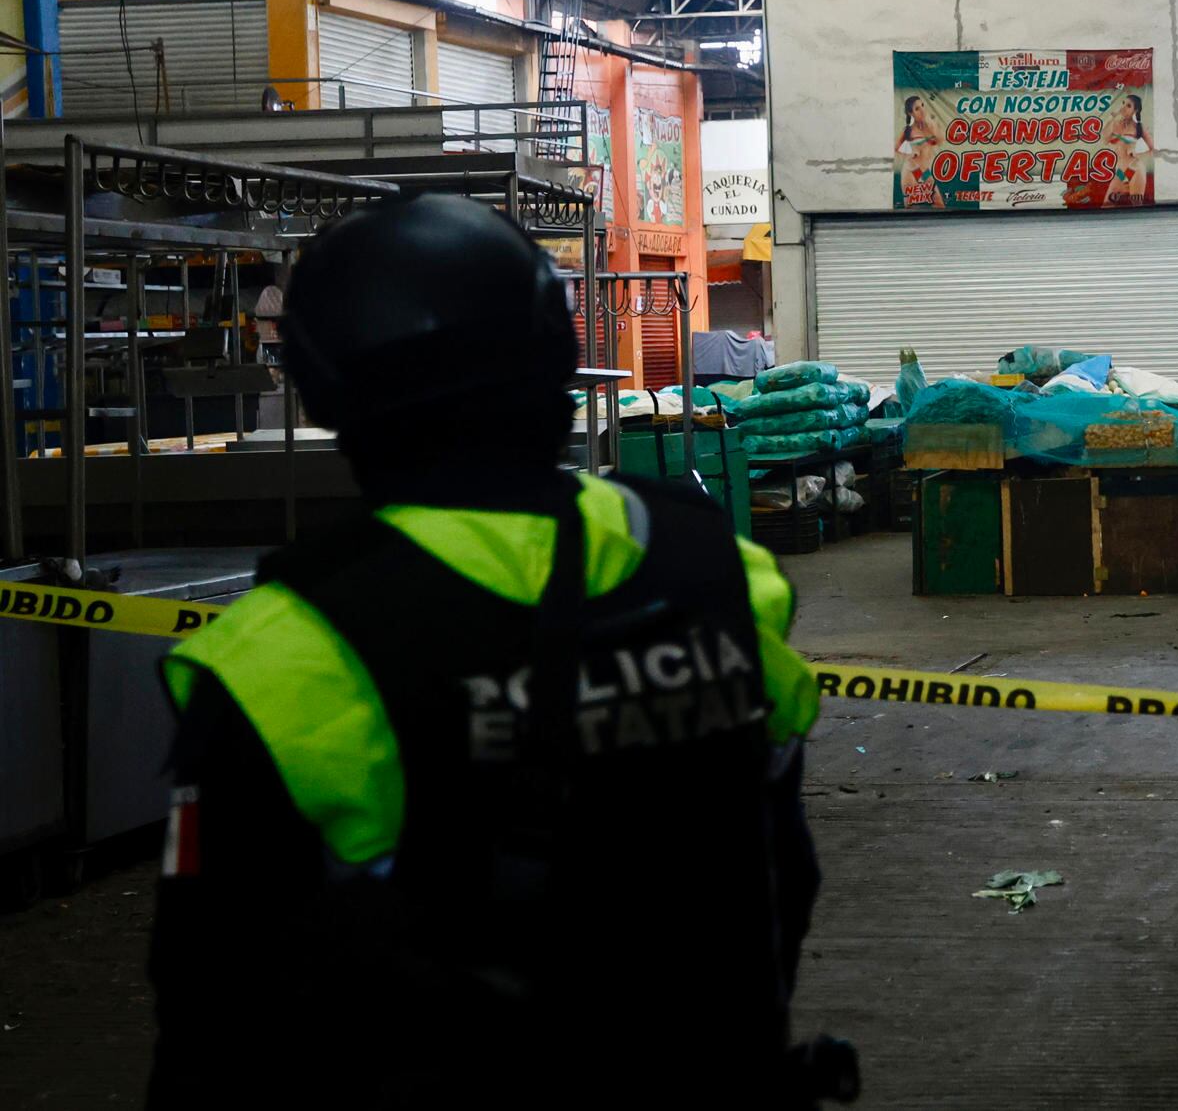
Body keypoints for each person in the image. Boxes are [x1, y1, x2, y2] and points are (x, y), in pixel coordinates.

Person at [146, 195, 853, 1109]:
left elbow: (210, 1009)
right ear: (557, 354)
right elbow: (784, 866)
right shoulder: (718, 569)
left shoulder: (288, 653)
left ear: (325, 390)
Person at [896, 95, 944, 207]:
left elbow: (940, 140)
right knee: (910, 205)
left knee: (938, 203)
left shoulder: (931, 126)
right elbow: (896, 148)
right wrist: (909, 153)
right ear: (911, 113)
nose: (922, 110)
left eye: (922, 105)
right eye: (917, 109)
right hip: (911, 169)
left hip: (924, 171)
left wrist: (931, 124)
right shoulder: (908, 130)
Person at [1103, 93, 1152, 205]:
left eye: (1129, 106)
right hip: (1120, 172)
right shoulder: (1115, 124)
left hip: (1134, 169)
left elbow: (1153, 150)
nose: (1124, 107)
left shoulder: (1138, 127)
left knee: (1136, 205)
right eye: (1123, 103)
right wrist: (1112, 116)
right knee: (1107, 204)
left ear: (1135, 111)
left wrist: (1138, 154)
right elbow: (1105, 139)